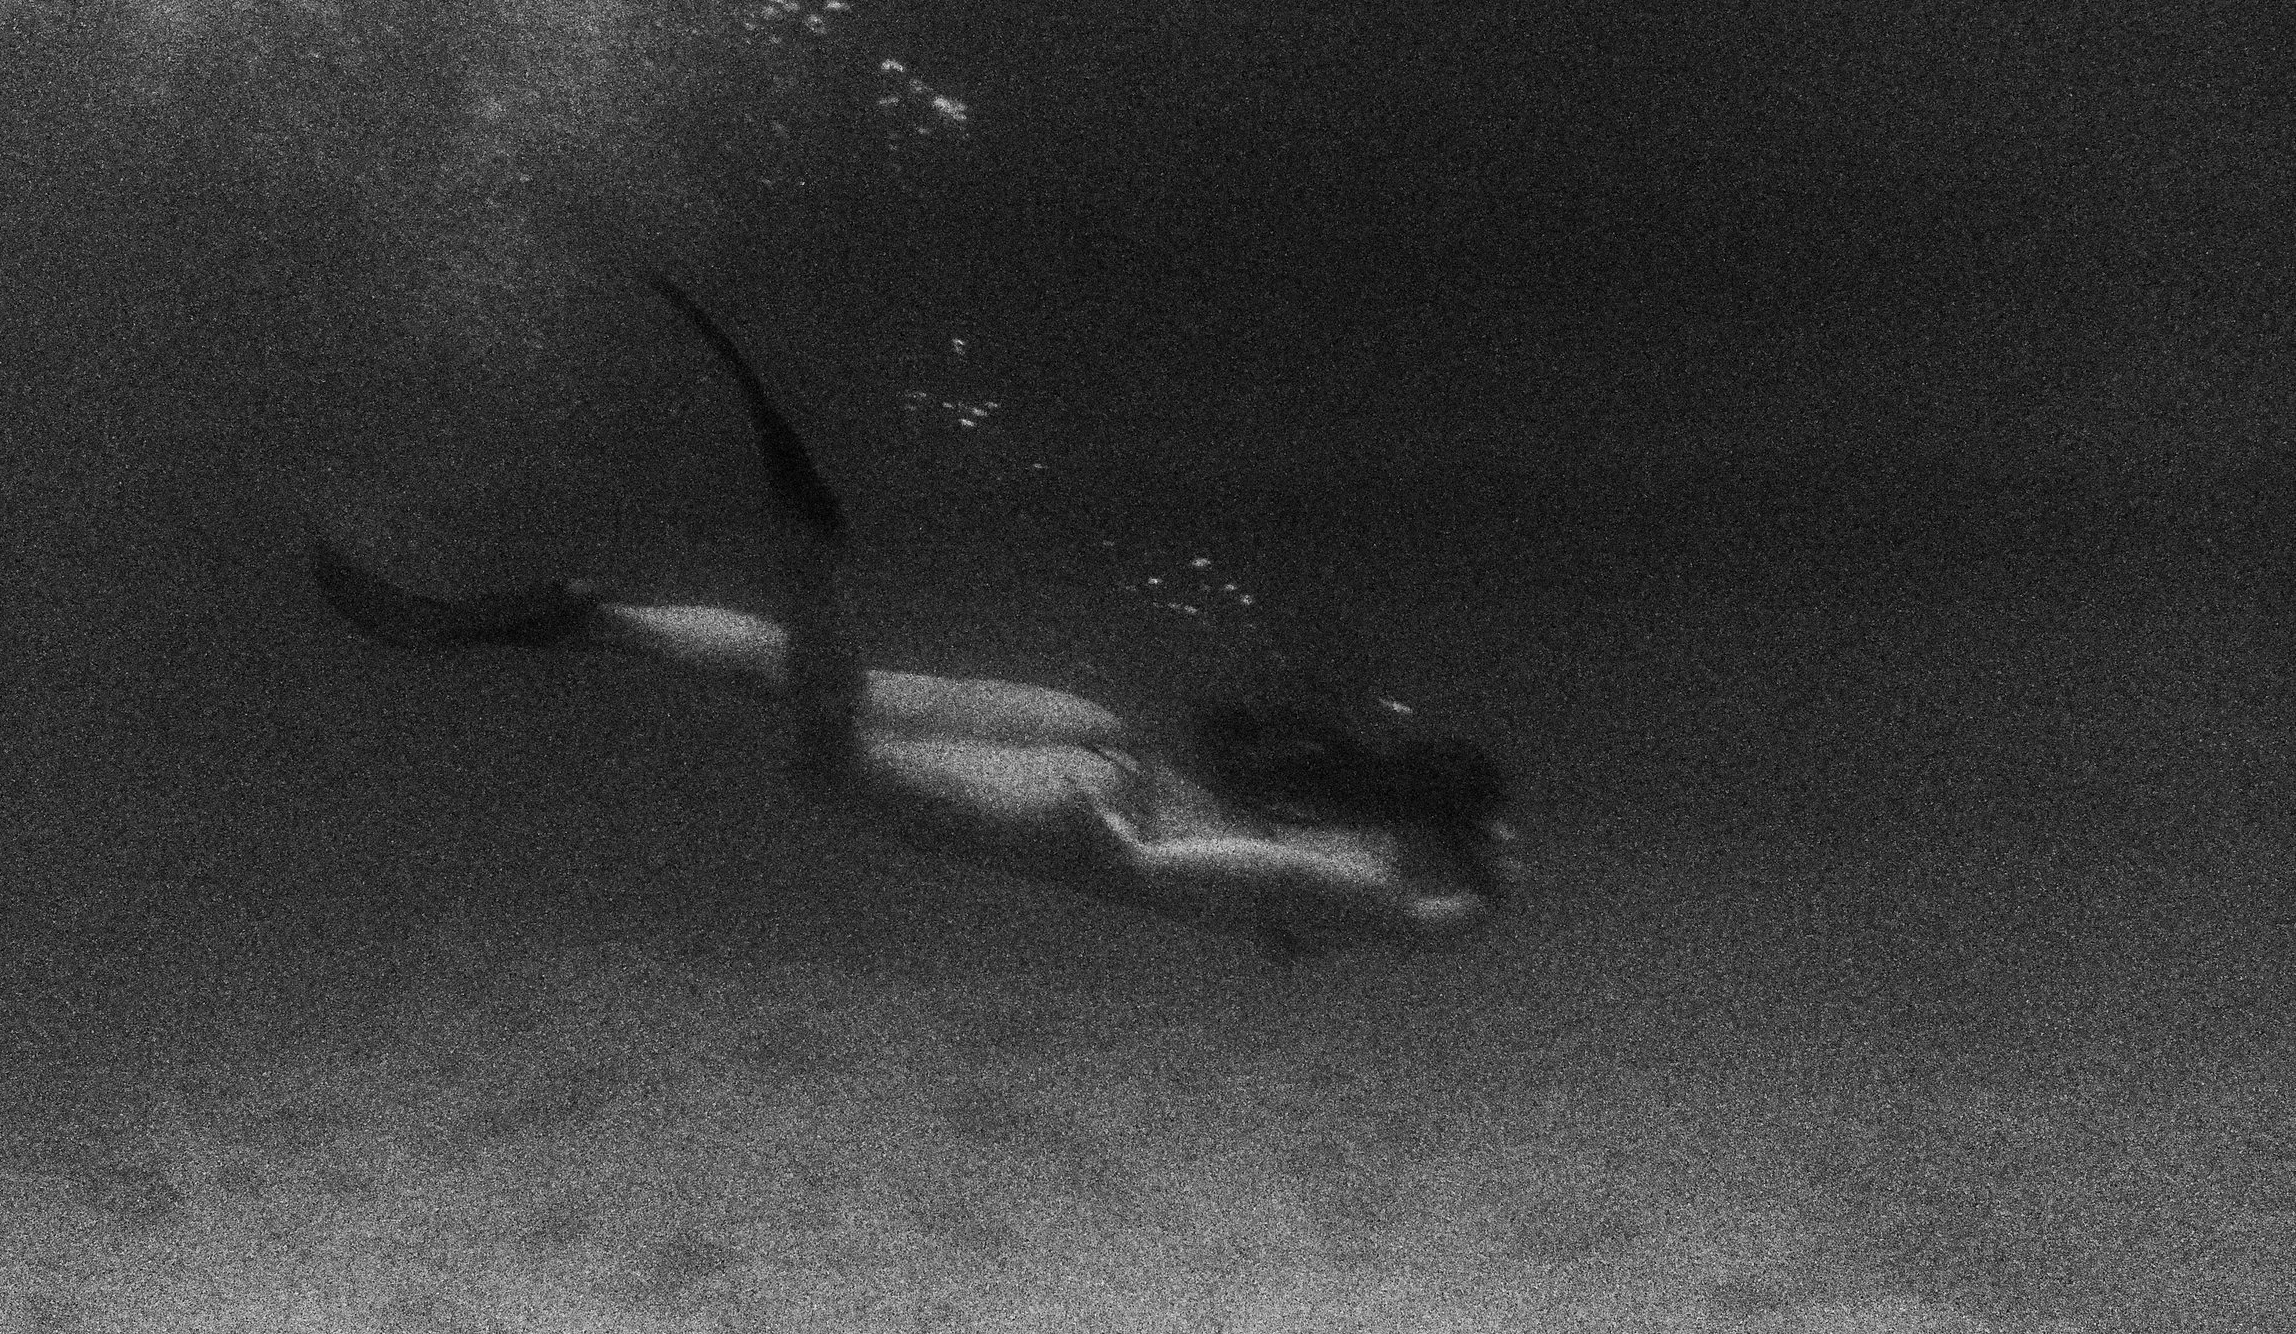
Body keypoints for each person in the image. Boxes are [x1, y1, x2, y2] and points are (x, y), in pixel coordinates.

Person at [310, 274, 1514, 963]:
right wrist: (1146, 858)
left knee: (830, 680)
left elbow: (1308, 800)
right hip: (1085, 817)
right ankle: (807, 553)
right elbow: (1287, 871)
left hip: (1104, 739)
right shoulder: (1386, 888)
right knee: (838, 756)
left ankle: (596, 617)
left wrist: (1470, 831)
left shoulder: (1362, 781)